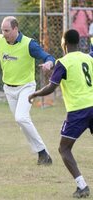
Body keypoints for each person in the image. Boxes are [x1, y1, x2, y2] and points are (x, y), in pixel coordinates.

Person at [28, 29, 93, 198]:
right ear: (78, 42)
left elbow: (51, 87)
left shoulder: (63, 62)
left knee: (64, 149)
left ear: (63, 43)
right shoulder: (88, 58)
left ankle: (82, 186)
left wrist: (36, 93)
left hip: (78, 110)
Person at [0, 16, 55, 165]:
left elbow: (47, 56)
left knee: (21, 118)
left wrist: (49, 63)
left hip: (26, 87)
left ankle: (42, 151)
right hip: (8, 88)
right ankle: (43, 155)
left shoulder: (29, 44)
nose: (4, 33)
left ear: (16, 29)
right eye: (2, 30)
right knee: (22, 122)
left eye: (7, 30)